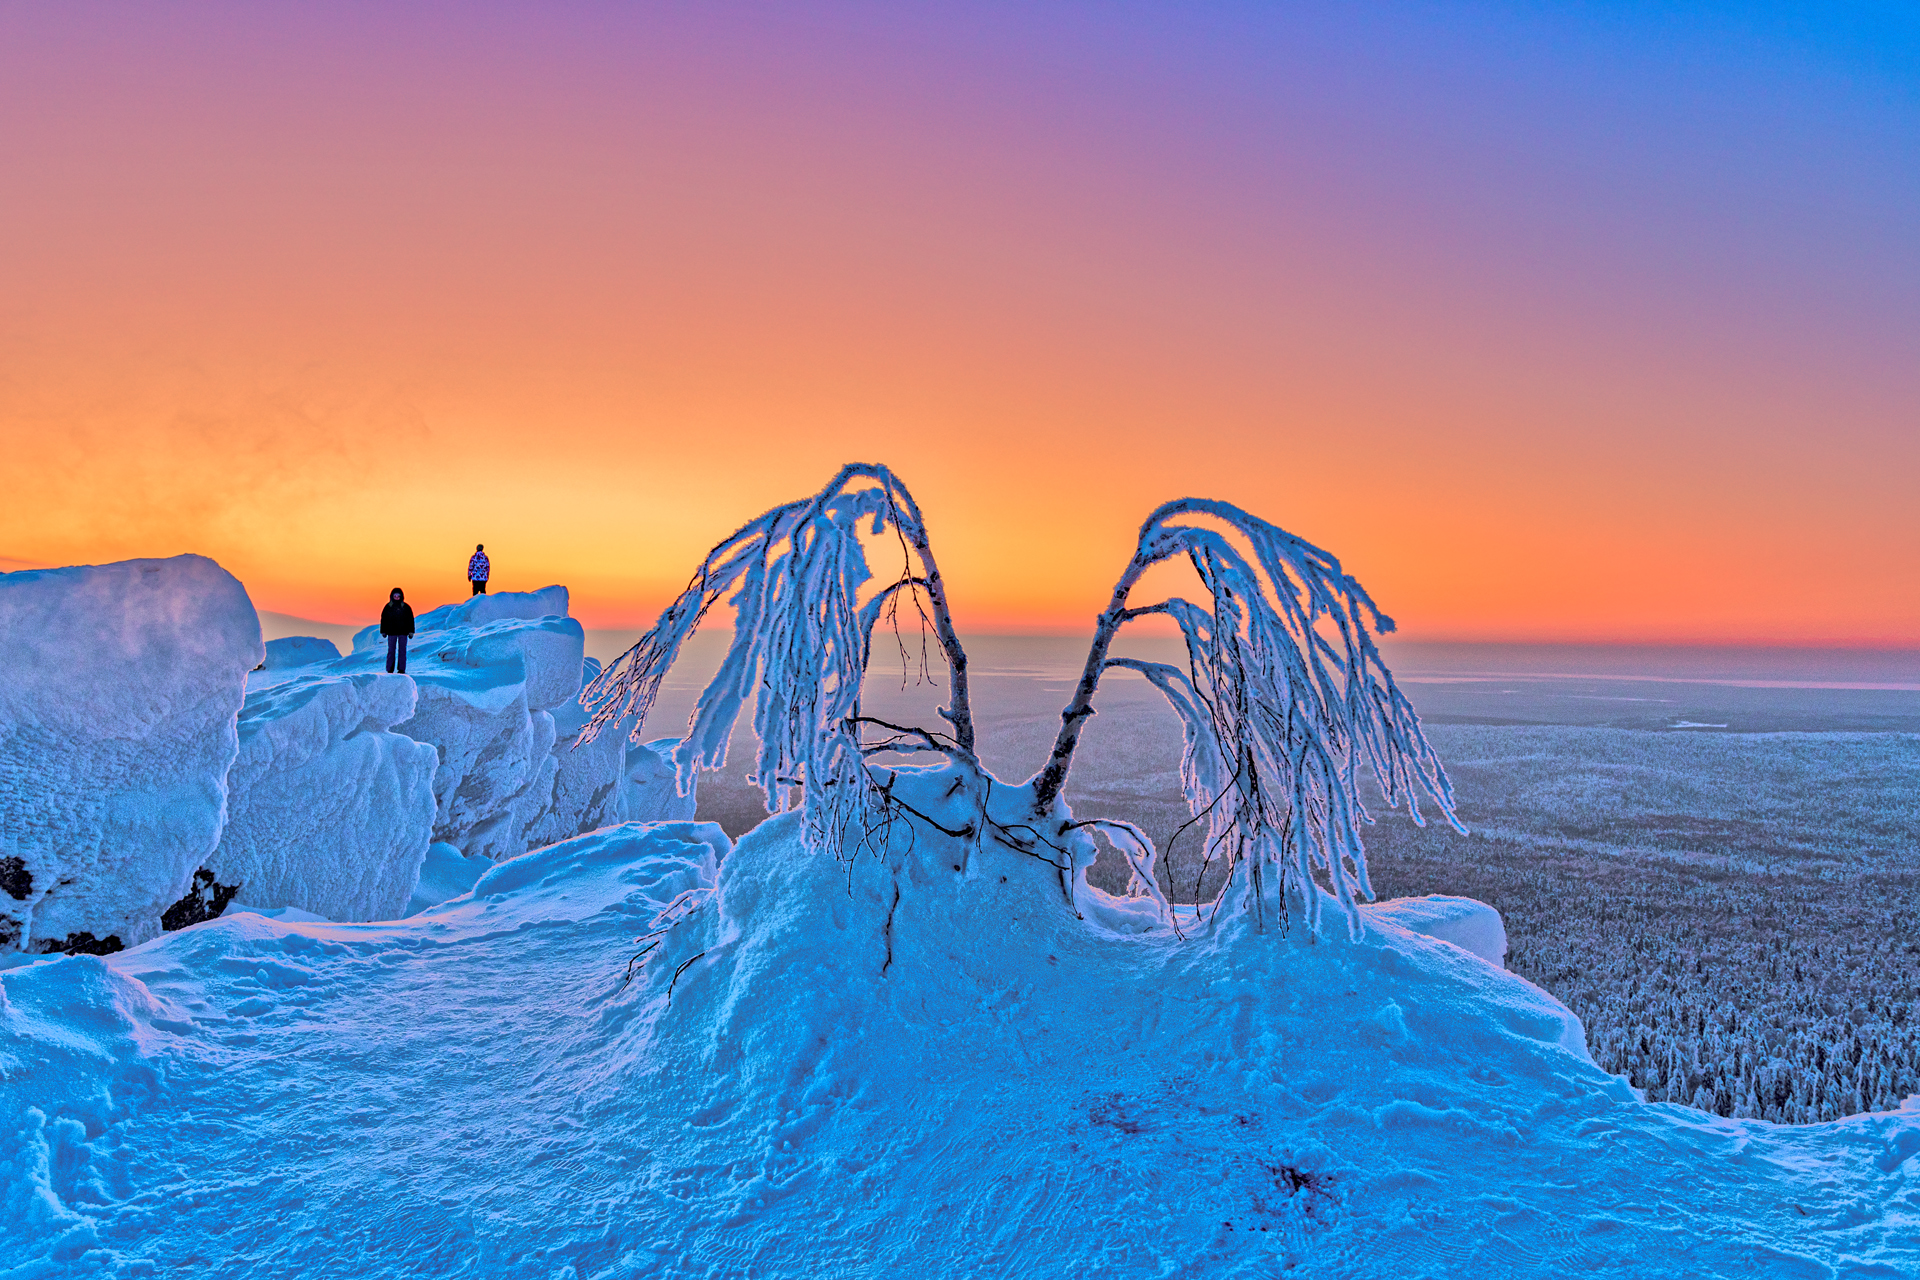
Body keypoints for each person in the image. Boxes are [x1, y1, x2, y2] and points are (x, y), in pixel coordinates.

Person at [380, 587, 415, 674]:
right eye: (395, 595)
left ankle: (401, 669)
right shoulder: (388, 607)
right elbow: (383, 619)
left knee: (402, 651)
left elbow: (410, 619)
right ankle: (389, 669)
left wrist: (411, 631)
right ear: (391, 596)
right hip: (391, 633)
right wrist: (383, 631)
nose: (396, 597)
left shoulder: (406, 607)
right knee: (391, 651)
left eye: (398, 596)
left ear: (401, 596)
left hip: (403, 633)